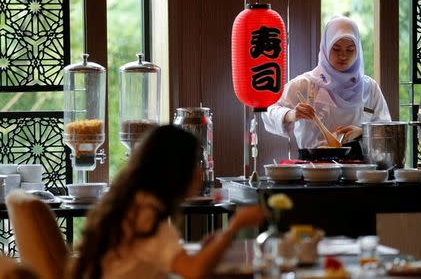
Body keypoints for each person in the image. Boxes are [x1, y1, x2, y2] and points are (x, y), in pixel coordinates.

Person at [68, 125, 266, 279]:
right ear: (175, 170)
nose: (200, 171)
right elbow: (194, 271)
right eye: (195, 162)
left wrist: (208, 250)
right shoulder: (146, 220)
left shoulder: (132, 205)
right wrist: (234, 227)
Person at [262, 15, 391, 158]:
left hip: (358, 169)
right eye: (336, 49)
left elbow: (386, 128)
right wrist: (290, 114)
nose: (343, 56)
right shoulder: (306, 84)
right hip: (313, 168)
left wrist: (363, 131)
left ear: (358, 51)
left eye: (350, 50)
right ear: (325, 47)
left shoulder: (369, 87)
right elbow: (268, 110)